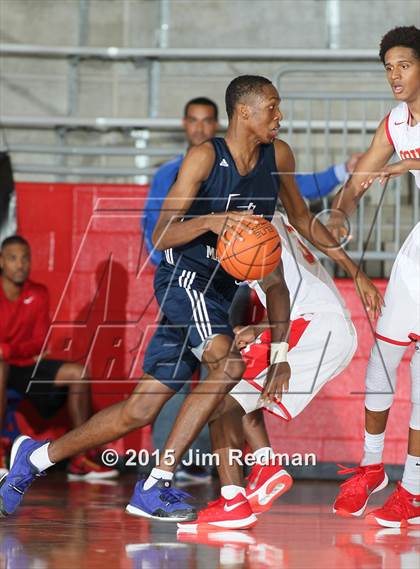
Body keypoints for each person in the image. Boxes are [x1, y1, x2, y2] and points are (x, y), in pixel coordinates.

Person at [0, 75, 381, 523]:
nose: (280, 117)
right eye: (272, 108)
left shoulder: (277, 156)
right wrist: (213, 220)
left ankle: (35, 458)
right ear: (244, 112)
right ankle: (157, 482)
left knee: (141, 409)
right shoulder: (205, 157)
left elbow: (301, 220)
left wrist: (354, 272)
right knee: (228, 366)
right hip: (184, 281)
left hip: (217, 296)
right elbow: (163, 233)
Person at [177, 210, 358, 530]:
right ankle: (264, 467)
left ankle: (234, 499)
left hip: (316, 327)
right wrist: (261, 329)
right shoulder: (269, 215)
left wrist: (279, 355)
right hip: (322, 323)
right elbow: (291, 293)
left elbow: (283, 292)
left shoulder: (248, 229)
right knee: (235, 383)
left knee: (218, 399)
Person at [330, 26, 420, 528]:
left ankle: (414, 488)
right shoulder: (396, 122)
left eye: (404, 65)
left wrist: (407, 164)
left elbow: (405, 164)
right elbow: (363, 173)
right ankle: (370, 467)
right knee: (381, 362)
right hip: (419, 252)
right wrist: (342, 209)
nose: (395, 75)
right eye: (388, 67)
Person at [143, 98, 361, 265]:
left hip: (237, 264)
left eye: (206, 120)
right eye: (193, 120)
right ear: (184, 124)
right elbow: (156, 223)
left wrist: (342, 170)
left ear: (216, 123)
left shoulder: (252, 163)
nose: (199, 128)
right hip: (186, 267)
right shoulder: (168, 173)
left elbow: (300, 188)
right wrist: (164, 260)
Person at [0, 235, 118, 480]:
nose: (20, 264)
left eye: (25, 258)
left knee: (78, 373)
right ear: (1, 262)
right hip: (4, 367)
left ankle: (80, 458)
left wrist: (9, 350)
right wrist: (14, 352)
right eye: (13, 258)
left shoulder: (38, 293)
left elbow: (39, 341)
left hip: (24, 365)